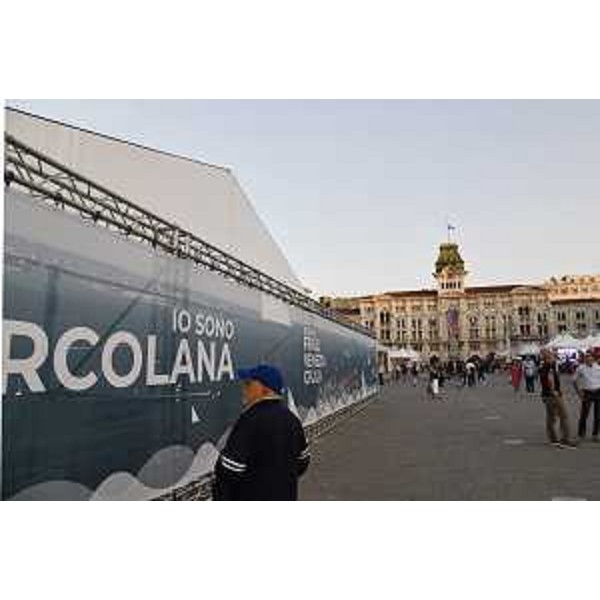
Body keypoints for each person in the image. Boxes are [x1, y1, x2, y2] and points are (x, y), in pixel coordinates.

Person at [213, 364, 310, 500]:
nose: (244, 388)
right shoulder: (292, 419)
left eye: (249, 384)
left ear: (266, 389)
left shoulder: (249, 420)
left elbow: (230, 469)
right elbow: (303, 461)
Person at [539, 349, 577, 448]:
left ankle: (553, 439)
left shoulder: (544, 366)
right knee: (564, 416)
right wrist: (554, 391)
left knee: (551, 418)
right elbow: (550, 379)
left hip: (547, 395)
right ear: (548, 357)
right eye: (552, 356)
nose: (554, 358)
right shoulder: (549, 366)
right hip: (553, 395)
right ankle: (565, 439)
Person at [573, 351, 600, 443]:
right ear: (585, 359)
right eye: (587, 357)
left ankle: (595, 435)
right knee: (584, 414)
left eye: (590, 357)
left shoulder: (598, 367)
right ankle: (581, 434)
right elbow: (574, 380)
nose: (589, 359)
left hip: (598, 392)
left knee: (598, 415)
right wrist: (578, 392)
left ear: (593, 358)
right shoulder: (581, 368)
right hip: (587, 392)